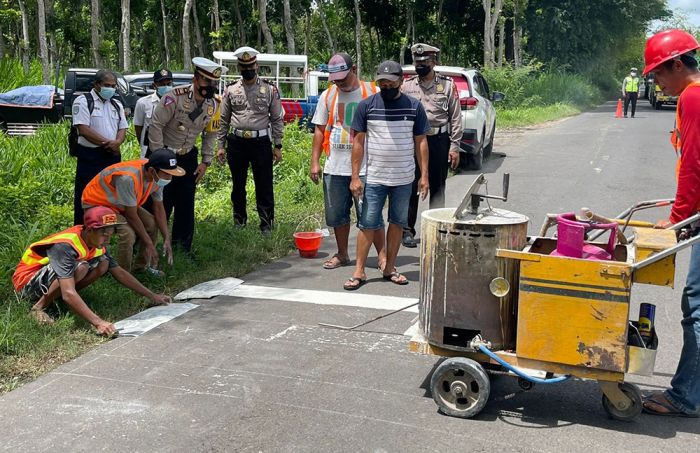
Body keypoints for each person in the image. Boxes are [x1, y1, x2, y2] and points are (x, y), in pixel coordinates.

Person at [641, 29, 700, 417]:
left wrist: (679, 218)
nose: (658, 83)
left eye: (659, 74)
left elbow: (694, 164)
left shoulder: (693, 98)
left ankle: (686, 397)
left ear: (678, 64)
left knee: (695, 306)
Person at [12, 206, 172, 336]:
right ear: (89, 230)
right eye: (103, 234)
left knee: (103, 263)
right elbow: (68, 292)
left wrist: (152, 296)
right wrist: (98, 322)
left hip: (54, 281)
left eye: (110, 234)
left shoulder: (97, 243)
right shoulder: (65, 246)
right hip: (28, 283)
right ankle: (37, 308)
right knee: (81, 267)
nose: (107, 239)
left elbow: (119, 272)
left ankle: (58, 301)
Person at [345, 60, 430, 290]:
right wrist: (355, 176)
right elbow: (358, 142)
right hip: (374, 177)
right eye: (382, 82)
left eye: (390, 82)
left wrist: (424, 176)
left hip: (404, 178)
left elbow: (421, 142)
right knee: (368, 224)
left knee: (397, 223)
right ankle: (359, 271)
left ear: (400, 81)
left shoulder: (414, 107)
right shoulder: (366, 106)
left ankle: (389, 267)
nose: (386, 85)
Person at [309, 52, 386, 270]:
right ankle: (342, 254)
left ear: (354, 70)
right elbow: (320, 129)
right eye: (335, 80)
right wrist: (314, 162)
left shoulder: (373, 93)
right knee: (337, 214)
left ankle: (382, 257)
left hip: (367, 166)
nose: (339, 83)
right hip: (335, 165)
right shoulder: (328, 96)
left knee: (371, 214)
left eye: (343, 78)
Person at [148, 58, 224, 253]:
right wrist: (158, 157)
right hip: (164, 154)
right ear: (196, 79)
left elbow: (210, 134)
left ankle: (182, 250)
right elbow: (156, 125)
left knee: (185, 205)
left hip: (187, 157)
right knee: (160, 203)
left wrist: (206, 162)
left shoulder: (214, 104)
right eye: (207, 82)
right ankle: (150, 249)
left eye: (214, 83)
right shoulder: (175, 97)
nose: (211, 86)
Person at [81, 149, 185, 274]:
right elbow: (131, 216)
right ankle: (122, 274)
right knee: (128, 234)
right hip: (99, 204)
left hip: (122, 203)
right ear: (152, 171)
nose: (170, 178)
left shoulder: (156, 176)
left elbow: (158, 207)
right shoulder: (128, 179)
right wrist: (149, 244)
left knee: (152, 224)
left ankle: (141, 269)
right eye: (167, 174)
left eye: (171, 174)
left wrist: (166, 237)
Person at [216, 46, 285, 235]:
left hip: (261, 142)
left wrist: (277, 145)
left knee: (264, 184)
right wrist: (220, 146)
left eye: (251, 66)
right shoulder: (230, 89)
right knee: (238, 185)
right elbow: (223, 119)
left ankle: (266, 224)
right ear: (239, 67)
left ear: (257, 65)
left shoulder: (269, 89)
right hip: (237, 142)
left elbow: (277, 118)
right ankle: (239, 221)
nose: (248, 70)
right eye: (244, 67)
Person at [401, 43, 462, 248]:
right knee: (411, 185)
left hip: (438, 140)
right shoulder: (407, 85)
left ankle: (436, 228)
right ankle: (407, 230)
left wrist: (454, 147)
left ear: (434, 62)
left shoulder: (446, 85)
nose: (421, 66)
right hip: (413, 142)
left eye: (425, 62)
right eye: (418, 62)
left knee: (437, 186)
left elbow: (455, 117)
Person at [71, 69, 128, 225]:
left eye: (113, 86)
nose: (110, 88)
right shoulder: (83, 101)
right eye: (107, 85)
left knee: (109, 196)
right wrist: (107, 143)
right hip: (90, 157)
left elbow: (123, 128)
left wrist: (117, 142)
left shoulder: (116, 104)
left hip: (112, 157)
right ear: (96, 84)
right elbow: (83, 129)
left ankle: (104, 231)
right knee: (86, 196)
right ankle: (82, 230)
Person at [133, 68, 173, 158]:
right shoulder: (143, 102)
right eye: (162, 84)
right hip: (149, 148)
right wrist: (143, 145)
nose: (166, 87)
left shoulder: (177, 103)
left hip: (171, 148)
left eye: (168, 84)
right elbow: (138, 127)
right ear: (154, 85)